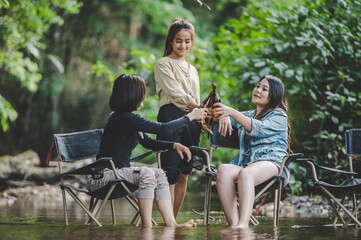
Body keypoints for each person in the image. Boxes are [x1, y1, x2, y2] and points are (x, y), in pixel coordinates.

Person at [87, 74, 208, 228]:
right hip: (103, 176)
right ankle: (147, 226)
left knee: (160, 173)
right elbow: (164, 128)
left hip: (118, 174)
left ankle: (171, 223)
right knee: (147, 173)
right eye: (141, 92)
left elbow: (149, 142)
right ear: (132, 95)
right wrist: (190, 116)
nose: (143, 96)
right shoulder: (123, 119)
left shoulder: (128, 119)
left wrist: (174, 145)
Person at [213, 75, 291, 229]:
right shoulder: (249, 114)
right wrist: (223, 116)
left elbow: (258, 128)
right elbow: (213, 117)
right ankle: (234, 226)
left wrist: (231, 113)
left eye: (264, 89)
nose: (258, 90)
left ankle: (243, 225)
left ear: (273, 95)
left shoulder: (279, 116)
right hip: (248, 164)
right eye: (257, 86)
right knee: (223, 170)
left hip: (273, 164)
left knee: (246, 173)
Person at [154, 18, 212, 218]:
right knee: (169, 173)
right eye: (179, 41)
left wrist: (203, 120)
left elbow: (195, 98)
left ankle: (174, 222)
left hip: (192, 122)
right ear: (171, 41)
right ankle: (168, 223)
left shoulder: (193, 69)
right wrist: (202, 109)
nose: (183, 45)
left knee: (184, 174)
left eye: (187, 41)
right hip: (171, 118)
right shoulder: (163, 64)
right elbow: (177, 94)